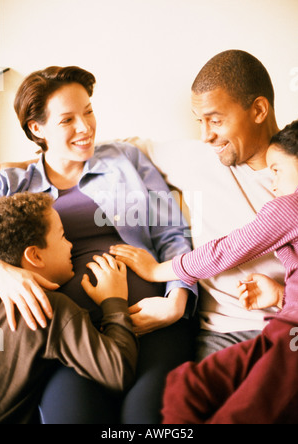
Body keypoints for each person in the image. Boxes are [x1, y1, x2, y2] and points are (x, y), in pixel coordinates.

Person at [0, 66, 197, 423]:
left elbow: (172, 233)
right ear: (37, 128)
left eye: (88, 111)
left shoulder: (126, 159)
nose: (86, 127)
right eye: (67, 120)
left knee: (144, 417)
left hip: (151, 317)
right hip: (78, 339)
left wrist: (176, 302)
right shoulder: (10, 184)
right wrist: (2, 273)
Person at [114, 121, 298, 424]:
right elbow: (132, 144)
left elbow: (228, 249)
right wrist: (280, 295)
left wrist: (160, 270)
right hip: (281, 328)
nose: (272, 182)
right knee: (186, 384)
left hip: (288, 334)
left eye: (276, 170)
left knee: (239, 411)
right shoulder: (198, 158)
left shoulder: (287, 206)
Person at [112, 49, 284, 362]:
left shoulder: (290, 177)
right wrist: (24, 167)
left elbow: (227, 249)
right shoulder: (197, 157)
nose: (205, 135)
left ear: (258, 110)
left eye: (216, 120)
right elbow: (119, 150)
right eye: (199, 121)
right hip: (220, 335)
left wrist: (283, 296)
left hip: (286, 328)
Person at [0, 192, 138, 424]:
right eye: (63, 237)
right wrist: (114, 301)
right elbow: (117, 371)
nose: (71, 245)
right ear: (34, 255)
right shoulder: (48, 308)